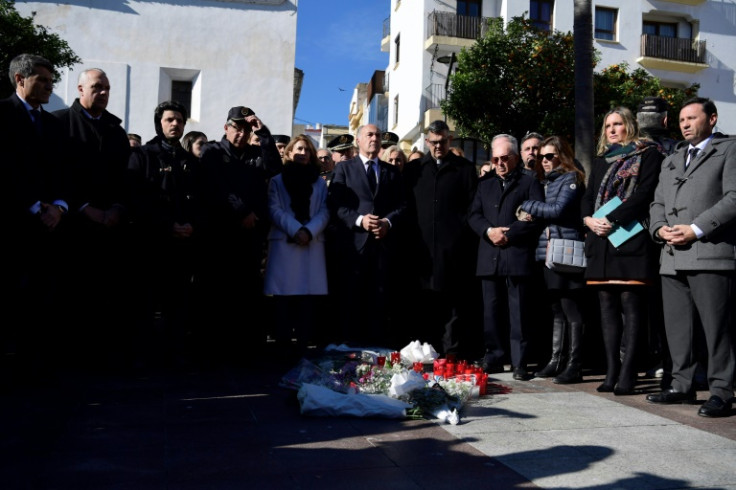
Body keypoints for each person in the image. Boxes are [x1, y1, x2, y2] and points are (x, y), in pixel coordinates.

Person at [647, 97, 736, 418]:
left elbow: (734, 197)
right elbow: (656, 202)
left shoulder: (729, 149)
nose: (684, 124)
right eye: (681, 119)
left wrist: (696, 229)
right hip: (671, 255)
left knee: (717, 328)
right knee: (678, 327)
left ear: (712, 119)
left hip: (710, 254)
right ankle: (681, 385)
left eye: (692, 118)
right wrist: (659, 230)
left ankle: (722, 391)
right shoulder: (673, 158)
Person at [53, 67, 133, 369]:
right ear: (80, 89)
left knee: (107, 297)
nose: (103, 93)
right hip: (72, 226)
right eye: (97, 87)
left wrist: (117, 208)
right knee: (71, 297)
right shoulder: (60, 123)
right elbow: (56, 173)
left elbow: (127, 178)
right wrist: (83, 207)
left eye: (108, 88)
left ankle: (102, 357)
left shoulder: (115, 130)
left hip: (111, 226)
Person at [581, 106, 663, 396]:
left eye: (618, 124)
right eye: (608, 126)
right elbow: (588, 197)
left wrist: (611, 219)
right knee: (606, 311)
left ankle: (629, 373)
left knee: (631, 308)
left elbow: (645, 194)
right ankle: (611, 371)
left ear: (630, 125)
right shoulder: (602, 160)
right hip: (601, 242)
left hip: (631, 240)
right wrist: (588, 220)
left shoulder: (649, 154)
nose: (612, 130)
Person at [1, 53, 71, 381]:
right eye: (41, 80)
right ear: (20, 79)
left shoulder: (54, 125)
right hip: (11, 228)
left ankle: (34, 368)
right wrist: (33, 206)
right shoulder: (1, 115)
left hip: (48, 228)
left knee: (41, 301)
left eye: (50, 80)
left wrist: (58, 205)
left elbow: (62, 172)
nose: (49, 86)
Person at [198, 106, 281, 364]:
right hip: (221, 232)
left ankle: (245, 349)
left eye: (246, 129)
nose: (241, 134)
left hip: (251, 233)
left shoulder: (257, 153)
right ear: (226, 128)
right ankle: (216, 349)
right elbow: (215, 186)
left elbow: (275, 168)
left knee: (247, 291)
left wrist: (263, 133)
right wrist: (242, 210)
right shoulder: (212, 151)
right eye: (237, 128)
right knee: (219, 290)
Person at [126, 100, 202, 368]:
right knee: (145, 302)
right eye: (170, 119)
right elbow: (136, 198)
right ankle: (141, 355)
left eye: (180, 120)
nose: (175, 124)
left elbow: (200, 201)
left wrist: (191, 224)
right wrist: (167, 225)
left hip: (182, 246)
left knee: (178, 302)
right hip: (151, 243)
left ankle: (175, 353)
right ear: (159, 122)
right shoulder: (143, 155)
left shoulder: (190, 161)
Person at [468, 134, 544, 380]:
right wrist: (489, 232)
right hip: (489, 255)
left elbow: (536, 216)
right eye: (495, 158)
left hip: (516, 255)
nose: (500, 163)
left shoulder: (529, 182)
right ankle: (494, 357)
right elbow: (474, 215)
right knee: (490, 311)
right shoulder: (484, 184)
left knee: (518, 312)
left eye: (505, 158)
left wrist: (509, 233)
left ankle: (520, 362)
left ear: (515, 157)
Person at [403, 120, 480, 358]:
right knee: (424, 306)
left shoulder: (465, 169)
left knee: (453, 307)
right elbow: (406, 208)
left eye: (443, 141)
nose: (438, 146)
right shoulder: (414, 170)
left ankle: (452, 356)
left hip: (453, 251)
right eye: (434, 142)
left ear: (450, 140)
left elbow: (472, 208)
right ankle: (425, 354)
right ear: (427, 141)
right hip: (421, 251)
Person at [326, 123, 407, 346]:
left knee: (379, 302)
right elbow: (336, 204)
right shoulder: (344, 169)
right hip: (354, 246)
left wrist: (387, 222)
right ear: (358, 140)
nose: (374, 138)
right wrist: (360, 220)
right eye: (369, 135)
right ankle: (350, 349)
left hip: (382, 246)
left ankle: (376, 352)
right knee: (352, 299)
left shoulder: (390, 171)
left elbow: (402, 205)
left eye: (378, 135)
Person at [519, 136, 587, 383]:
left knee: (572, 309)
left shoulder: (571, 178)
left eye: (549, 156)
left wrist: (528, 205)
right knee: (556, 309)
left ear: (562, 155)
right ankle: (556, 360)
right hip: (548, 251)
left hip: (566, 251)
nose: (544, 161)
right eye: (541, 157)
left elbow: (558, 210)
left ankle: (575, 364)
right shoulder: (544, 181)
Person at [263, 135, 330, 359]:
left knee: (305, 301)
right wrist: (296, 230)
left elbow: (325, 211)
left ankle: (302, 348)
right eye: (298, 149)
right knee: (283, 300)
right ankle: (282, 348)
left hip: (311, 244)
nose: (303, 153)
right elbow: (274, 209)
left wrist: (309, 231)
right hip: (285, 245)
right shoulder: (277, 181)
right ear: (289, 152)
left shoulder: (320, 182)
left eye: (307, 150)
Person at [636, 95, 678, 385]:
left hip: (638, 235)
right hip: (672, 232)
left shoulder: (630, 150)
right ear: (666, 119)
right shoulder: (680, 149)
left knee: (648, 306)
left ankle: (656, 359)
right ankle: (670, 360)